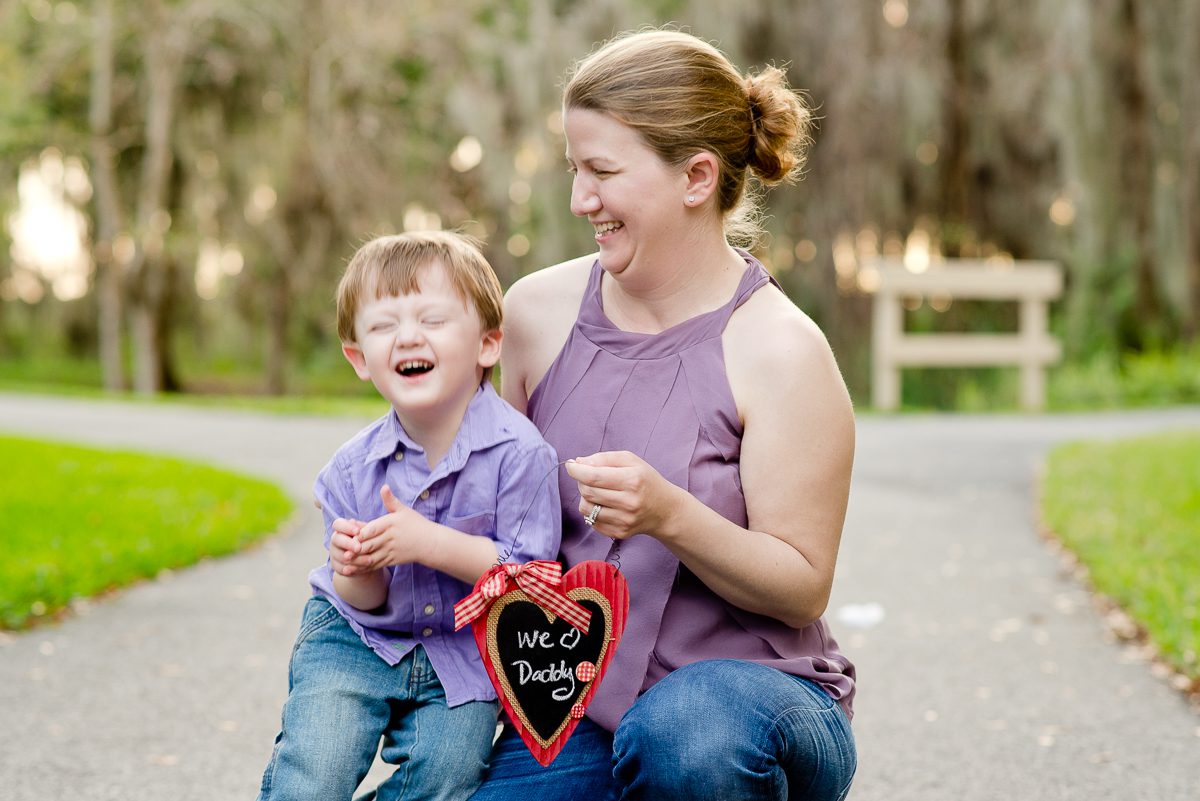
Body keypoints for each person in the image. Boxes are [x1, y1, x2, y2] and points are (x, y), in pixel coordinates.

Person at [474, 29, 857, 801]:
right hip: (573, 704)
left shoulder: (781, 350)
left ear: (697, 177)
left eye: (603, 173)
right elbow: (483, 518)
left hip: (755, 698)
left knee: (683, 739)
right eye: (575, 170)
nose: (581, 199)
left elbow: (801, 587)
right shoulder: (534, 314)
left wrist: (669, 513)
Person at [257, 231, 562, 801]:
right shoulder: (350, 470)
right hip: (357, 637)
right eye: (384, 325)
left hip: (461, 650)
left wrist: (429, 543)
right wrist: (355, 567)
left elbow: (531, 585)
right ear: (359, 358)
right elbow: (362, 598)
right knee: (316, 771)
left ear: (488, 344)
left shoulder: (523, 457)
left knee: (448, 775)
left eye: (432, 319)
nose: (408, 337)